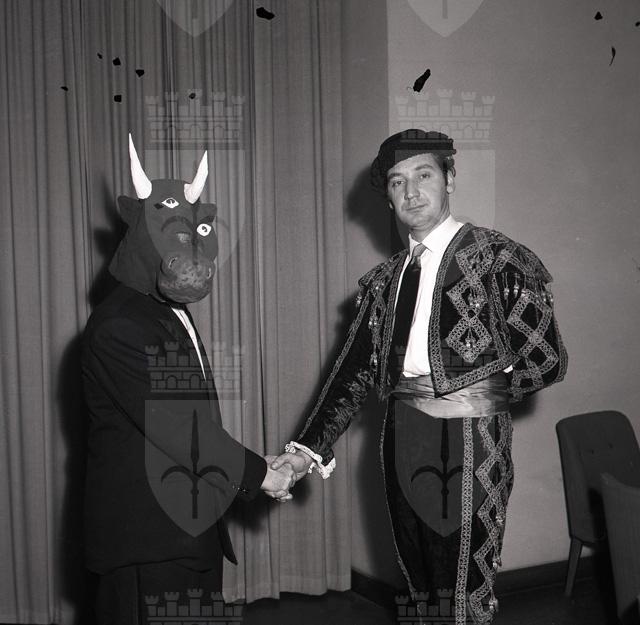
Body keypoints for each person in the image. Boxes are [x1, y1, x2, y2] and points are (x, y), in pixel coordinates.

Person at [272, 129, 567, 624]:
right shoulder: (384, 282)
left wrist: (477, 395)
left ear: (449, 179)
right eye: (397, 182)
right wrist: (303, 455)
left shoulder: (499, 259)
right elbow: (350, 377)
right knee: (419, 589)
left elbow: (546, 358)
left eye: (423, 175)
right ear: (388, 196)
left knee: (461, 592)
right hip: (401, 436)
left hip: (472, 440)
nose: (410, 192)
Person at [82, 136, 294, 625]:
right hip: (149, 541)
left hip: (185, 530)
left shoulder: (162, 310)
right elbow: (181, 430)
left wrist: (253, 464)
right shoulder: (121, 323)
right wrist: (262, 474)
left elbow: (190, 419)